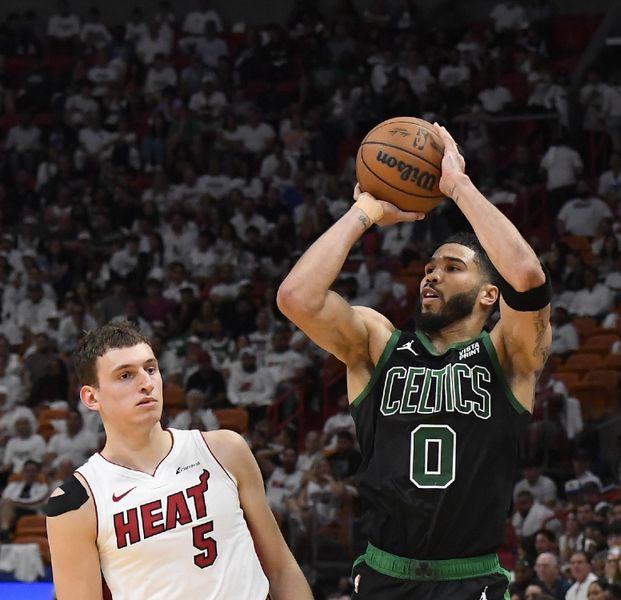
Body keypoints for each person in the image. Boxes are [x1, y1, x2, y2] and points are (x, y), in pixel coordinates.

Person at [278, 123, 552, 599]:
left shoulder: (508, 355)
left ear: (491, 293)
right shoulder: (379, 345)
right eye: (428, 268)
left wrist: (457, 186)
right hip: (385, 574)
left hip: (469, 579)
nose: (431, 276)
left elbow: (526, 275)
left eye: (452, 268)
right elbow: (296, 297)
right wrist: (364, 209)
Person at [45, 321, 312, 600]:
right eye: (125, 375)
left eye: (150, 369)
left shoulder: (225, 450)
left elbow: (281, 568)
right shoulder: (77, 502)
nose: (146, 384)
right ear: (91, 397)